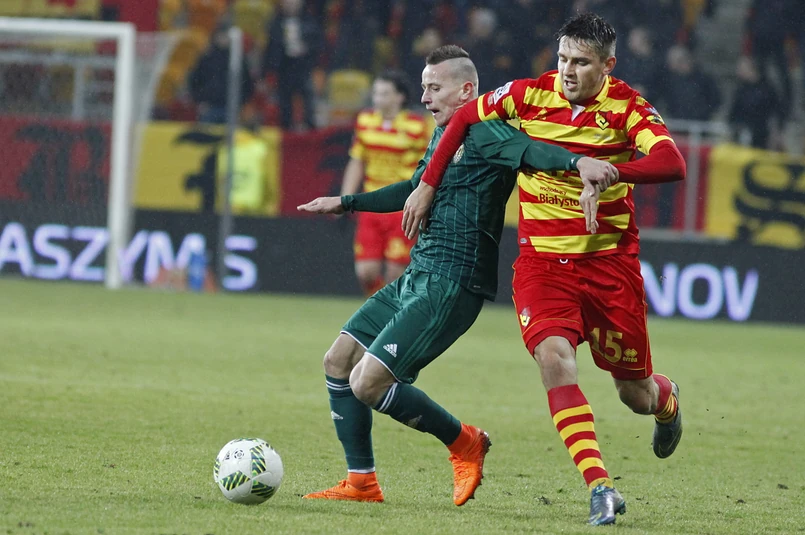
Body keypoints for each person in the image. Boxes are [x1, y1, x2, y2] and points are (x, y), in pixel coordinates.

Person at [297, 45, 616, 506]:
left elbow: (530, 150)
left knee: (367, 383)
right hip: (419, 273)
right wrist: (345, 203)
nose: (425, 97)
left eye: (434, 88)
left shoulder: (487, 130)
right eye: (423, 87)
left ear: (467, 91)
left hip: (452, 281)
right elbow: (415, 189)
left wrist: (576, 162)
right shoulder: (445, 132)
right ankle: (361, 482)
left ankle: (464, 442)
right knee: (338, 360)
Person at [402, 13, 686, 526]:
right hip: (543, 265)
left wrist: (613, 172)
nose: (568, 71)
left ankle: (666, 402)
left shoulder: (628, 108)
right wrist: (427, 184)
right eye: (563, 59)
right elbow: (463, 120)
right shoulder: (528, 94)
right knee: (554, 359)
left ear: (607, 65)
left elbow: (672, 163)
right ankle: (600, 487)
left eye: (581, 62)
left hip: (609, 266)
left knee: (634, 393)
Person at [340, 71, 429, 296]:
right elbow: (357, 161)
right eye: (376, 93)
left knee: (395, 274)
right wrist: (344, 198)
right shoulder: (365, 121)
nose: (378, 99)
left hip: (401, 207)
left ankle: (388, 313)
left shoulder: (416, 126)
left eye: (384, 93)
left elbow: (427, 168)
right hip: (371, 205)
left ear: (400, 97)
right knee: (365, 273)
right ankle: (384, 308)